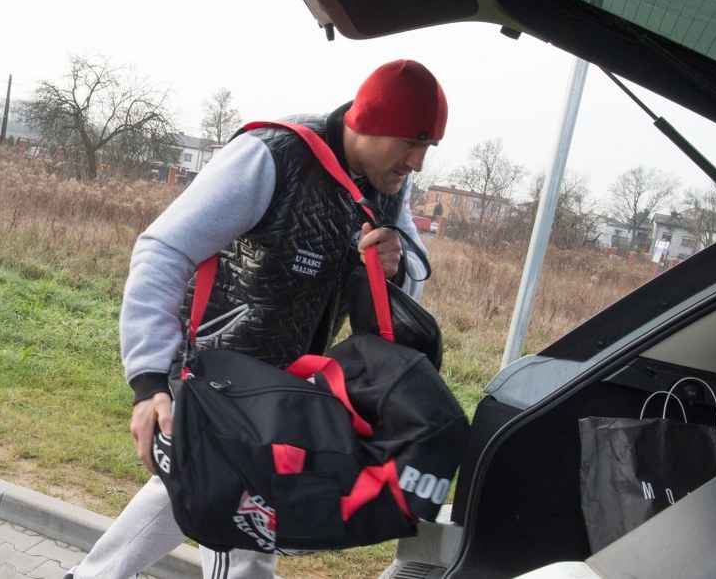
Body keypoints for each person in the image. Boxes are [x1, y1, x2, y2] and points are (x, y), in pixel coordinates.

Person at [66, 59, 448, 579]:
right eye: (411, 143)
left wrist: (395, 267)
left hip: (283, 382)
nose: (418, 163)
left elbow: (411, 284)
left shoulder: (388, 188)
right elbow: (163, 249)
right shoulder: (272, 156)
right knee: (247, 524)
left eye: (428, 147)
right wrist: (148, 378)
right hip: (221, 378)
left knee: (187, 483)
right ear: (369, 122)